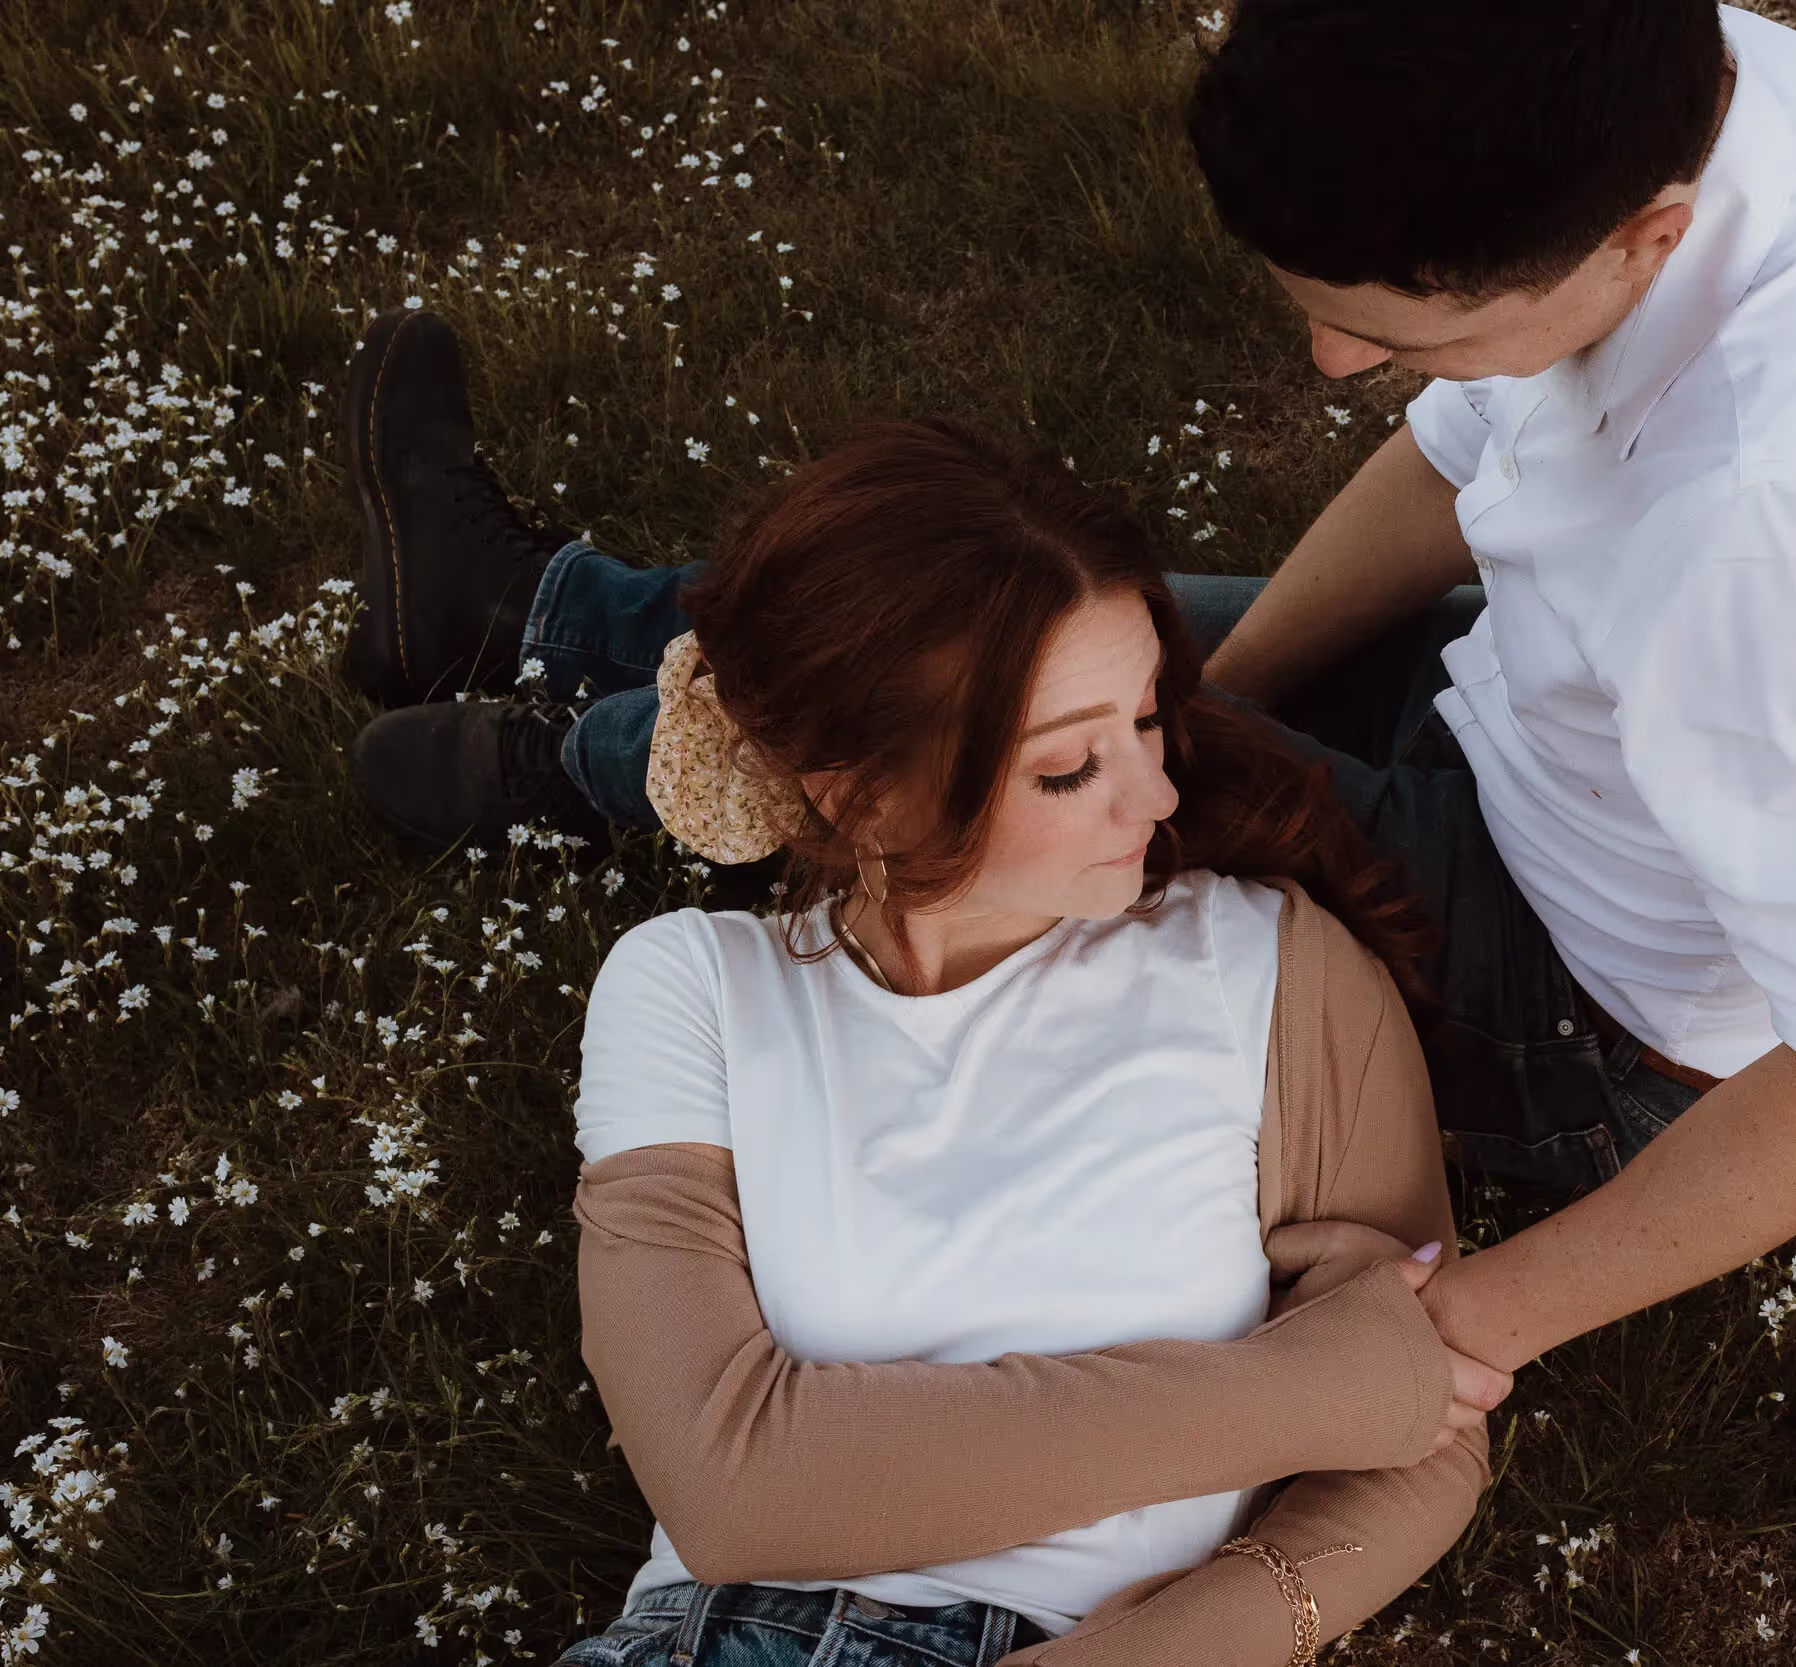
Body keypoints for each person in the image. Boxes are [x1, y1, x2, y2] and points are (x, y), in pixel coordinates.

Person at [349, 0, 1796, 1393]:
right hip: (1539, 697)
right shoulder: (1669, 85)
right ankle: (535, 613)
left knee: (973, 720)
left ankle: (580, 765)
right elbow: (1463, 460)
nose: (1332, 364)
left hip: (1572, 1000)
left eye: (1396, 335)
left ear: (1644, 240)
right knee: (994, 621)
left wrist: (1470, 1320)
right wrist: (1189, 701)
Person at [554, 418, 1504, 1667]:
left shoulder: (1269, 966)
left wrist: (1179, 1646)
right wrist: (1311, 1388)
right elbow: (729, 1487)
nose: (1157, 794)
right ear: (861, 793)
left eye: (1148, 720)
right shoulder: (691, 987)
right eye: (1068, 768)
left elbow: (1426, 1429)